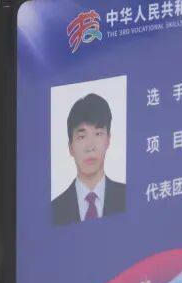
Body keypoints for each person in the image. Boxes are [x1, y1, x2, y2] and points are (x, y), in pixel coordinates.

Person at [52, 93, 126, 225]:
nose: (90, 147)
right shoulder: (54, 210)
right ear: (70, 147)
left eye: (98, 134)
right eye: (82, 136)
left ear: (108, 140)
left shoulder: (128, 196)